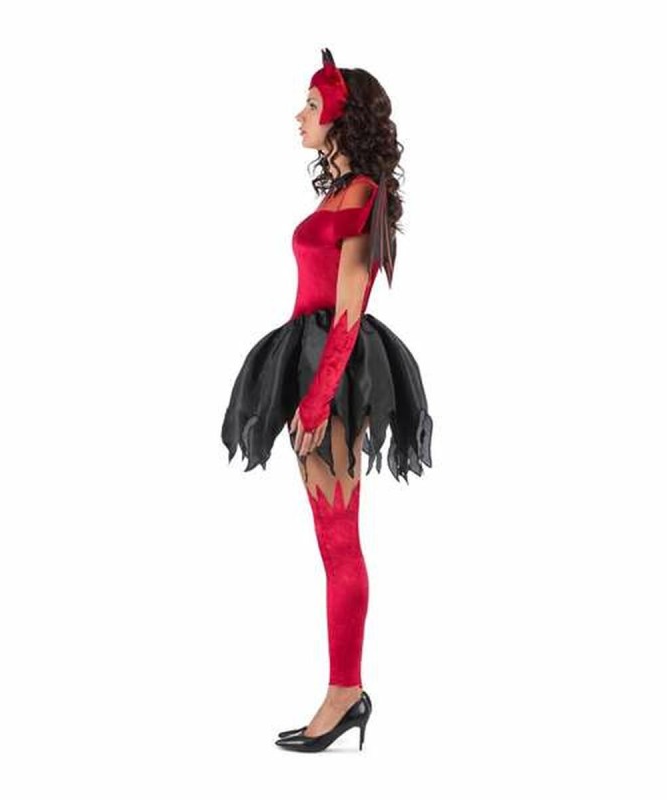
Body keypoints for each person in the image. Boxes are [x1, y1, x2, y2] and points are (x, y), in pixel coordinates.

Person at [221, 48, 433, 753]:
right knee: (330, 539)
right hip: (309, 357)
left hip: (333, 371)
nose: (300, 116)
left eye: (312, 105)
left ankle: (346, 694)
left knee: (340, 539)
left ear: (343, 117)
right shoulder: (339, 193)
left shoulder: (364, 195)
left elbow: (349, 308)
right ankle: (346, 692)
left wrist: (317, 401)